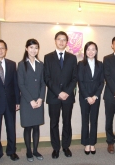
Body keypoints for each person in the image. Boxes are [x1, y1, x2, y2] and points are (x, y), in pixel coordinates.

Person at [44, 31, 77, 159]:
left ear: (67, 42)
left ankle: (66, 146)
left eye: (64, 40)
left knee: (67, 122)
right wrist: (58, 92)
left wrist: (66, 92)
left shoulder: (72, 57)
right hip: (53, 96)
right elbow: (46, 78)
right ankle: (56, 148)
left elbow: (75, 78)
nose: (61, 42)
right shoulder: (48, 57)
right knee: (54, 123)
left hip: (68, 97)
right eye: (59, 39)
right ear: (55, 40)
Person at [17, 39, 46, 161]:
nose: (34, 50)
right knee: (28, 127)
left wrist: (40, 98)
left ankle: (35, 150)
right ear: (26, 48)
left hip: (38, 100)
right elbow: (21, 85)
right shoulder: (21, 64)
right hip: (26, 101)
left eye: (36, 48)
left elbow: (43, 83)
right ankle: (28, 151)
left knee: (36, 127)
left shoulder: (41, 64)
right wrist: (31, 100)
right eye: (31, 47)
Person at [78, 41, 104, 155]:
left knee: (94, 120)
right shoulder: (80, 64)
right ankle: (86, 143)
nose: (91, 52)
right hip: (84, 97)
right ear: (85, 51)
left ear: (96, 51)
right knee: (85, 120)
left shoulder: (100, 64)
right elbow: (80, 82)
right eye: (88, 49)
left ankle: (92, 143)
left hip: (96, 97)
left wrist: (95, 96)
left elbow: (101, 82)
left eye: (93, 49)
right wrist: (88, 96)